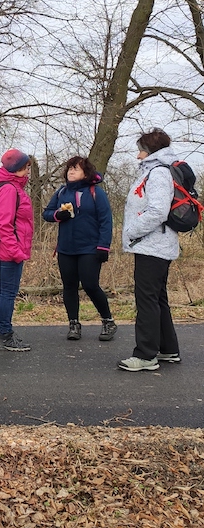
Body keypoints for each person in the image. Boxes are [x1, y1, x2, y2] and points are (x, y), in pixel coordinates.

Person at [118, 128, 181, 372]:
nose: (138, 156)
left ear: (152, 151)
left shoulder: (158, 173)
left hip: (152, 245)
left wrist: (132, 231)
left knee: (146, 300)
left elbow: (157, 211)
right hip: (154, 245)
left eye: (141, 150)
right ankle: (168, 348)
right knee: (157, 299)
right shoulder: (156, 171)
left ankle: (145, 355)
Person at [42, 156, 117, 341]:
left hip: (90, 248)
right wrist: (59, 215)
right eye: (69, 169)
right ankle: (73, 324)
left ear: (86, 172)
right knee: (69, 286)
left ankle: (108, 321)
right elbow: (46, 213)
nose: (71, 172)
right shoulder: (61, 191)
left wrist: (103, 246)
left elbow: (106, 221)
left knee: (90, 285)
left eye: (75, 168)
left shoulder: (95, 192)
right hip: (66, 248)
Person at [0, 149, 35, 352]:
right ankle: (5, 335)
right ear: (17, 169)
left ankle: (1, 333)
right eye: (26, 167)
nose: (28, 171)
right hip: (10, 250)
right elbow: (4, 224)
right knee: (8, 293)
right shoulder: (9, 190)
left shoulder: (14, 187)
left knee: (4, 292)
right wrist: (16, 252)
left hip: (11, 249)